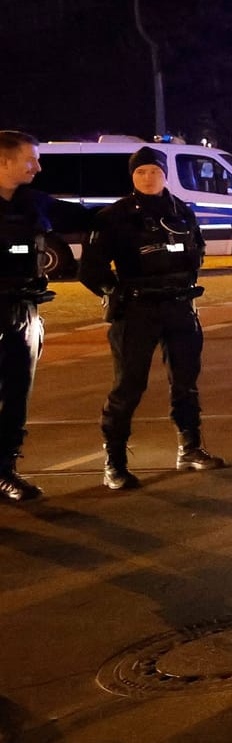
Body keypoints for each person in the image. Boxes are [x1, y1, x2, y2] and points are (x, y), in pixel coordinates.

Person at [80, 147, 223, 490]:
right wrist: (115, 293)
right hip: (136, 311)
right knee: (129, 386)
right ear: (132, 176)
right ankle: (115, 463)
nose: (148, 178)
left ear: (165, 174)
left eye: (154, 171)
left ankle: (190, 448)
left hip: (180, 307)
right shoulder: (114, 216)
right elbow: (90, 269)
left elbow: (196, 254)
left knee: (186, 382)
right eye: (141, 172)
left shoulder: (182, 212)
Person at [0, 131, 93, 503]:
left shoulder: (33, 202)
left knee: (17, 395)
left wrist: (139, 207)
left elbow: (87, 216)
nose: (38, 167)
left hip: (24, 310)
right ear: (4, 161)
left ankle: (5, 470)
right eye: (30, 159)